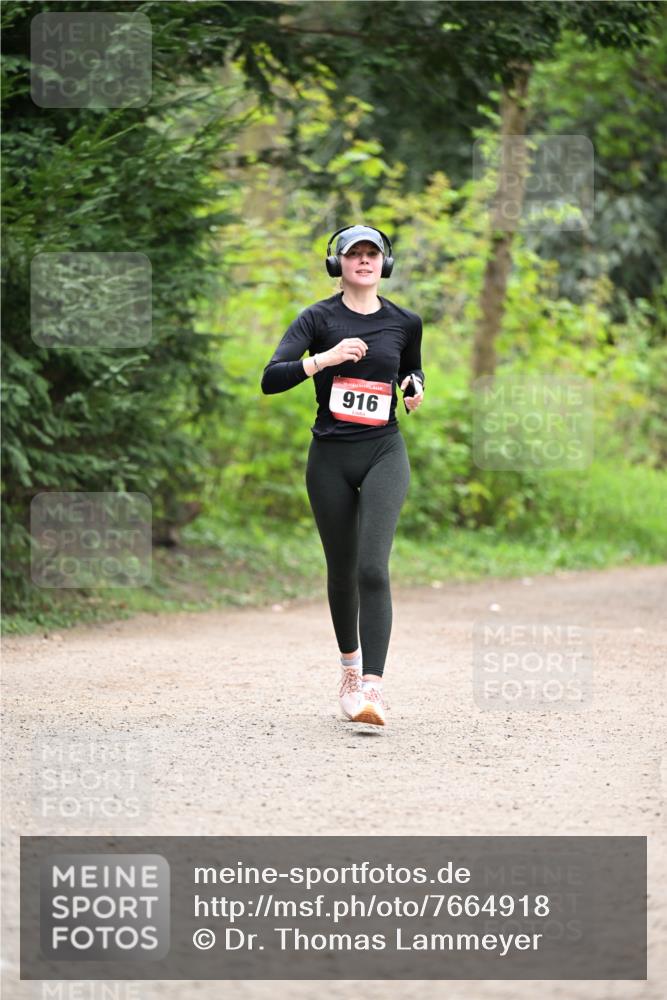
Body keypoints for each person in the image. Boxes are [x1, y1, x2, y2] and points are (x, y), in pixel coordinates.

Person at [260, 225, 425, 727]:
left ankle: (372, 688)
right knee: (342, 569)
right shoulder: (317, 317)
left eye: (373, 254)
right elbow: (271, 378)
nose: (364, 261)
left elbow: (411, 372)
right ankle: (349, 672)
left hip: (383, 452)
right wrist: (326, 359)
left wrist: (414, 389)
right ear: (339, 265)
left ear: (385, 264)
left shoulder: (405, 321)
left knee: (373, 567)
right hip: (329, 457)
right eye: (354, 254)